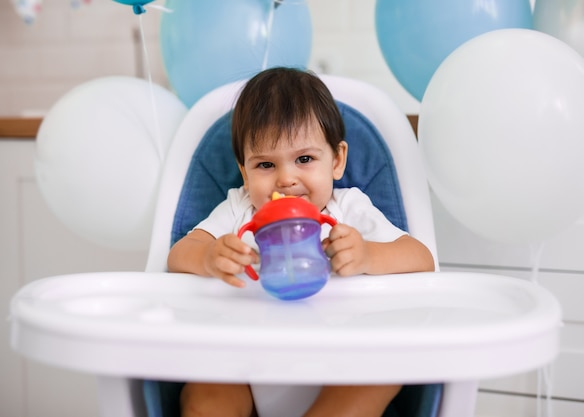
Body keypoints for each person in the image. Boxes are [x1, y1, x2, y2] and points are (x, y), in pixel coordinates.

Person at [167, 67, 435, 417]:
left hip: (341, 362)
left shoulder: (349, 208)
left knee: (383, 373)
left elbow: (421, 259)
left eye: (304, 159)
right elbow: (177, 255)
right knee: (206, 396)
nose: (286, 178)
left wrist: (368, 255)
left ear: (337, 160)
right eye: (265, 164)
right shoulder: (238, 208)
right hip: (244, 362)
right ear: (245, 172)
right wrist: (208, 257)